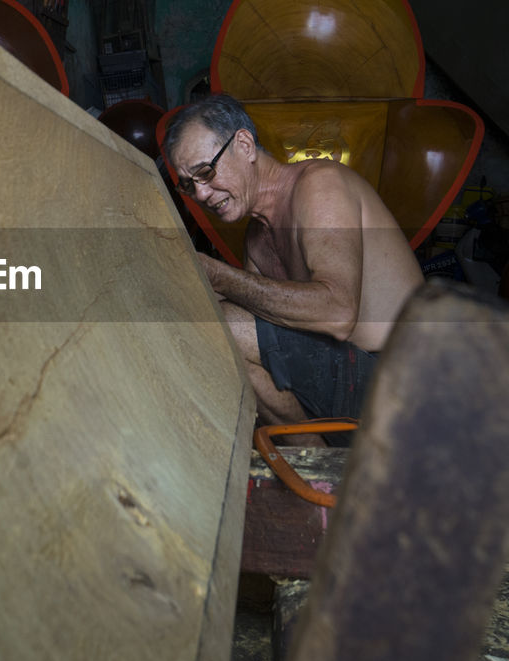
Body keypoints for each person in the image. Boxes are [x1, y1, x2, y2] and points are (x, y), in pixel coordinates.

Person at [163, 94, 424, 445]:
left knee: (221, 324)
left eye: (206, 173)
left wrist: (219, 276)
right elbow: (263, 322)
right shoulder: (257, 237)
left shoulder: (319, 185)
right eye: (188, 185)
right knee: (226, 348)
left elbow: (338, 312)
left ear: (244, 145)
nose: (203, 194)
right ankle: (318, 470)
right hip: (356, 385)